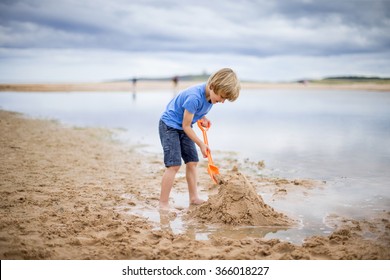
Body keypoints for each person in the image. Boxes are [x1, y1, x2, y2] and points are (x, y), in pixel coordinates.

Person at [158, 68, 241, 209]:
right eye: (222, 97)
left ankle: (194, 198)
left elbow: (194, 113)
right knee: (174, 165)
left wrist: (202, 117)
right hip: (170, 126)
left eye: (225, 99)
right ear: (214, 86)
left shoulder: (211, 97)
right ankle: (163, 203)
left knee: (192, 162)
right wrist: (201, 144)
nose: (222, 101)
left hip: (185, 125)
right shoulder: (194, 97)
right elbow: (186, 126)